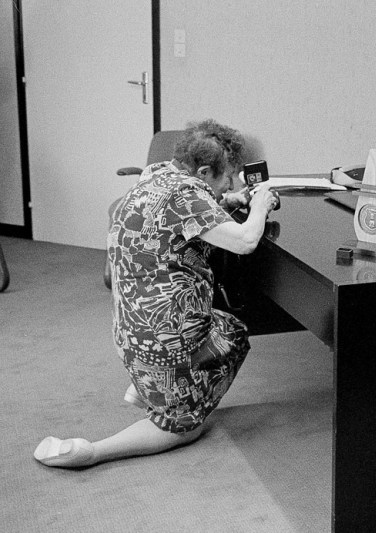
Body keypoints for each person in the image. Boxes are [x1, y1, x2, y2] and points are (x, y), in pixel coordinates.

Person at [33, 119, 278, 468]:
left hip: (129, 331)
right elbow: (244, 241)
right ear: (205, 172)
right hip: (166, 340)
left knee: (231, 330)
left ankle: (152, 388)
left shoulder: (156, 176)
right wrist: (259, 206)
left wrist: (225, 198)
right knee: (185, 427)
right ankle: (93, 450)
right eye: (229, 177)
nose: (233, 183)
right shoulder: (187, 196)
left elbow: (181, 213)